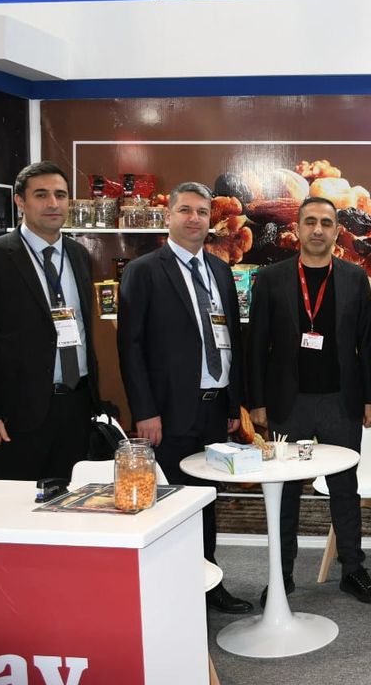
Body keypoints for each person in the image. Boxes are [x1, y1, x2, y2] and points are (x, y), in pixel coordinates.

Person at [117, 181, 251, 615]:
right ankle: (173, 592)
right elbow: (130, 347)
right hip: (168, 413)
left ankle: (209, 583)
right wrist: (145, 411)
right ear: (169, 216)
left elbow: (231, 339)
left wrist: (233, 403)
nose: (194, 219)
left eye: (202, 212)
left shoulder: (220, 271)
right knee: (172, 503)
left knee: (206, 501)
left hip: (214, 409)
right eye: (186, 210)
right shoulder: (143, 271)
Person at [247, 196, 371, 606]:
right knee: (285, 492)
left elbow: (368, 344)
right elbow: (256, 345)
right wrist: (256, 402)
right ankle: (282, 573)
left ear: (337, 230)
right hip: (289, 402)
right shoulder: (270, 278)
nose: (318, 229)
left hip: (342, 400)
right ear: (298, 229)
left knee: (345, 488)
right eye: (310, 222)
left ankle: (353, 569)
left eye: (326, 222)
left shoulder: (355, 277)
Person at [0, 161, 99, 481]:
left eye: (60, 195)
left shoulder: (78, 255)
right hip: (17, 415)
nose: (53, 203)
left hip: (76, 406)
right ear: (20, 201)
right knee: (20, 504)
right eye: (41, 195)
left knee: (73, 502)